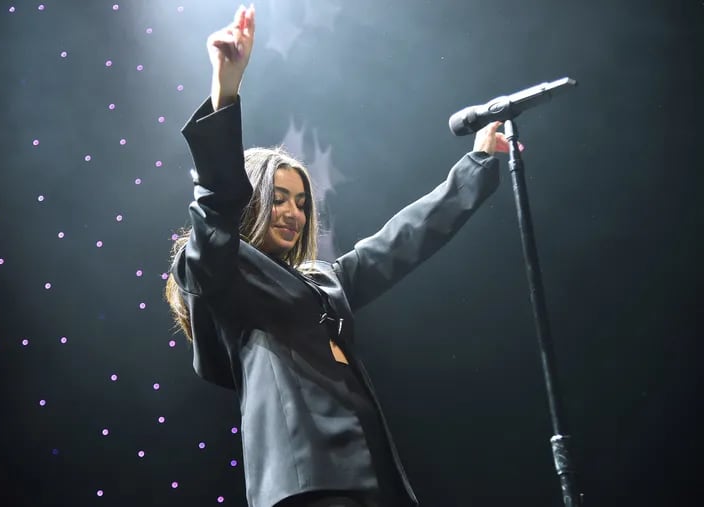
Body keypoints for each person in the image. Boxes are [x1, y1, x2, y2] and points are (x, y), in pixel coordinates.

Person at [165, 5, 511, 507]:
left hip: (373, 477)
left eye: (302, 203)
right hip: (309, 483)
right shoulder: (222, 274)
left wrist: (477, 164)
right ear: (252, 202)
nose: (293, 213)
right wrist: (226, 90)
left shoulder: (322, 280)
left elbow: (401, 241)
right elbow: (216, 204)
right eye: (279, 198)